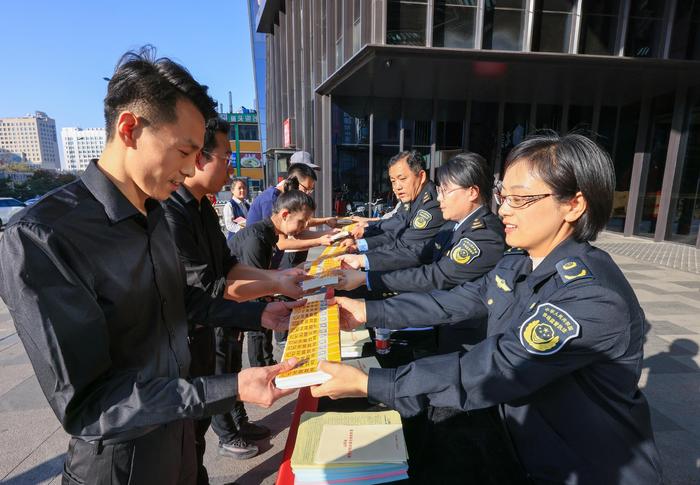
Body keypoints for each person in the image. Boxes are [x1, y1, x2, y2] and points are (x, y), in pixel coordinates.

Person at [0, 46, 300, 485]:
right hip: (122, 466)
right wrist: (229, 387)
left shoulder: (154, 211)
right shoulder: (42, 236)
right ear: (129, 129)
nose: (191, 168)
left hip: (181, 441)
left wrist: (258, 313)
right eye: (184, 151)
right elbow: (90, 403)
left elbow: (180, 300)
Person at [313, 133, 664, 484]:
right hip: (526, 448)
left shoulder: (592, 296)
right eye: (504, 196)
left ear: (573, 204)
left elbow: (496, 366)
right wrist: (365, 311)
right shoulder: (519, 262)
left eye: (522, 199)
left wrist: (372, 383)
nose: (505, 209)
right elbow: (452, 301)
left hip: (588, 468)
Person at [162, 118, 304, 479]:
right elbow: (210, 289)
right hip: (183, 342)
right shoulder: (171, 212)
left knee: (196, 435)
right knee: (183, 440)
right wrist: (264, 307)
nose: (231, 167)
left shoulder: (201, 208)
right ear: (198, 157)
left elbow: (229, 267)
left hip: (206, 331)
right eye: (226, 157)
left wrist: (277, 279)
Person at [232, 189, 318, 368]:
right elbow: (254, 290)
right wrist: (281, 286)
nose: (302, 228)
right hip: (230, 309)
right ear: (285, 214)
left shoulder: (267, 235)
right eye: (301, 222)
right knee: (255, 329)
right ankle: (261, 368)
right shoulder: (256, 239)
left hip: (241, 303)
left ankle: (267, 363)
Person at [351, 150, 445, 252]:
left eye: (403, 179)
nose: (397, 187)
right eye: (393, 181)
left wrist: (361, 257)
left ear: (421, 176)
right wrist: (361, 239)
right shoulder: (412, 196)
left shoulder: (433, 205)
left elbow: (404, 246)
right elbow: (397, 223)